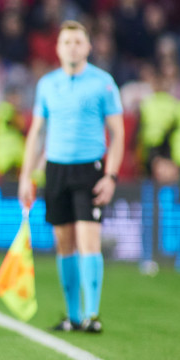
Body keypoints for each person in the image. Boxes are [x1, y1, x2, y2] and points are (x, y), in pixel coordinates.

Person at [18, 20, 124, 334]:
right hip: (56, 169)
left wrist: (112, 175)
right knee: (63, 243)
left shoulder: (103, 83)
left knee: (89, 240)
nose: (72, 47)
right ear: (58, 48)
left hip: (89, 168)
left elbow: (117, 134)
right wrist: (27, 177)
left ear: (89, 47)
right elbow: (37, 133)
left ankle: (92, 314)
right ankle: (73, 316)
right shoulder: (48, 84)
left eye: (78, 42)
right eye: (67, 42)